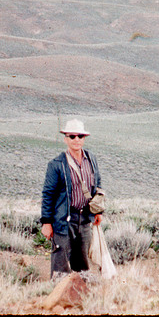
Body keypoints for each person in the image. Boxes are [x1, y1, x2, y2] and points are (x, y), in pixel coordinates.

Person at [40, 118, 103, 279]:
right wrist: (46, 222)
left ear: (84, 138)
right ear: (65, 139)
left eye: (80, 136)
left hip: (84, 219)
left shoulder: (92, 160)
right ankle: (58, 299)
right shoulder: (56, 164)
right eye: (72, 136)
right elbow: (48, 194)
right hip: (63, 220)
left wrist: (98, 211)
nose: (76, 140)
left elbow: (97, 185)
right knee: (60, 264)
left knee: (82, 264)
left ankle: (80, 298)